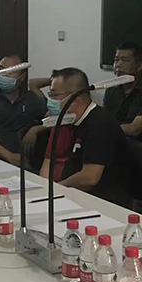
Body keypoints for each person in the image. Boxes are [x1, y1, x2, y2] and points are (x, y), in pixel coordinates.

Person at [39, 68, 130, 206]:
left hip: (101, 201)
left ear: (74, 97)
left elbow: (90, 178)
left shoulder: (100, 124)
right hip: (71, 194)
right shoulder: (69, 120)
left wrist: (57, 189)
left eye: (54, 95)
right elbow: (49, 161)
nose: (51, 100)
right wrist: (46, 189)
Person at [0, 55, 46, 166]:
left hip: (20, 160)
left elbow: (53, 120)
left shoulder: (30, 98)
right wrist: (8, 156)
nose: (5, 74)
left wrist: (36, 129)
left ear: (22, 77)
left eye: (11, 71)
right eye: (1, 69)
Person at [103, 42, 142, 150]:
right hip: (118, 143)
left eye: (124, 60)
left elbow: (134, 129)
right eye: (116, 60)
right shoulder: (111, 89)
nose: (118, 64)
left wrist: (106, 129)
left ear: (139, 66)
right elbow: (106, 120)